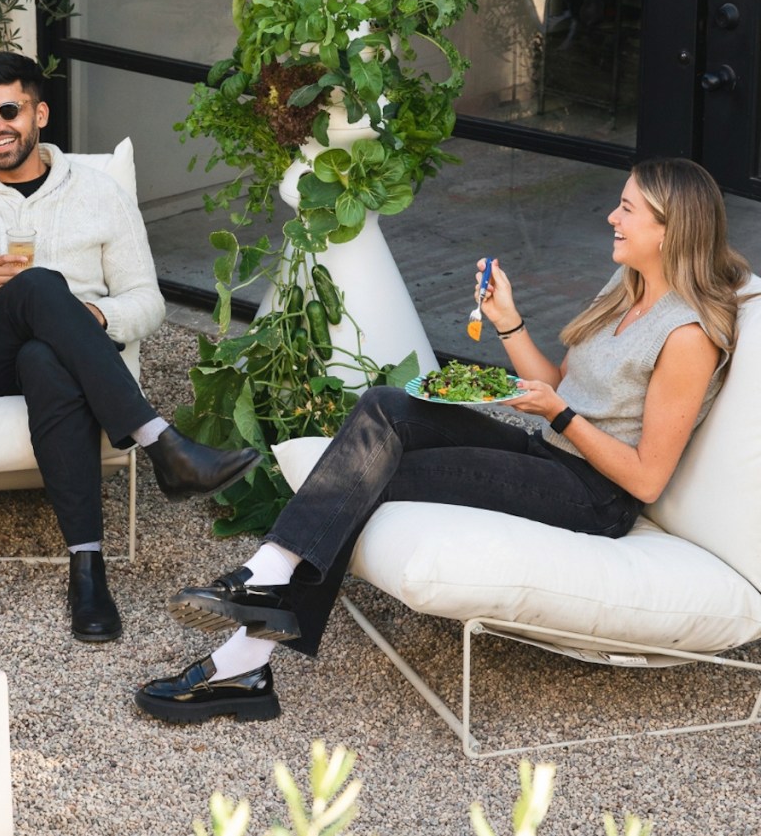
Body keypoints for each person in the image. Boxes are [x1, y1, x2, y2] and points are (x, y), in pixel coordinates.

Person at [135, 157, 753, 722]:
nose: (612, 217)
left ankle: (245, 653)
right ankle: (262, 591)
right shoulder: (629, 289)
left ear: (670, 230)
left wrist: (559, 415)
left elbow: (645, 478)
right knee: (387, 406)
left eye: (627, 209)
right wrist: (509, 323)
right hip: (553, 453)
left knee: (371, 476)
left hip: (594, 496)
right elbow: (564, 385)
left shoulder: (687, 335)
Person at [0, 51, 260, 642]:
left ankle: (88, 570)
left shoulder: (99, 194)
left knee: (46, 355)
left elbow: (147, 303)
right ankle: (161, 444)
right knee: (38, 284)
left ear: (40, 113)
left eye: (9, 110)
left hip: (64, 362)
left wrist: (89, 316)